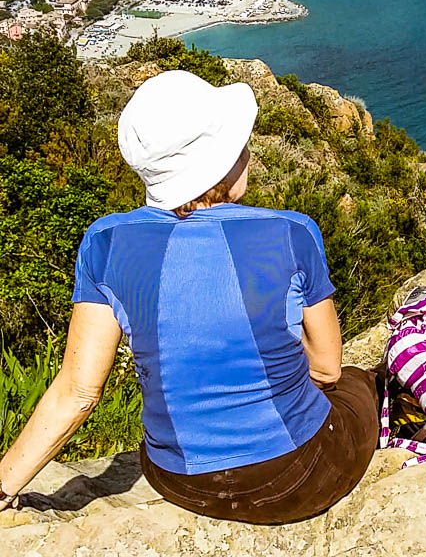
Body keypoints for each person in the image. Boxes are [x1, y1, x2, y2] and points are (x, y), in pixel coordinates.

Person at [0, 70, 379, 524]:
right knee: (359, 383)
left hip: (178, 482)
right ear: (221, 163)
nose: (249, 153)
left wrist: (4, 484)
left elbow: (78, 392)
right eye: (240, 143)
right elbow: (326, 367)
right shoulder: (291, 231)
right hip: (295, 477)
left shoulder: (105, 241)